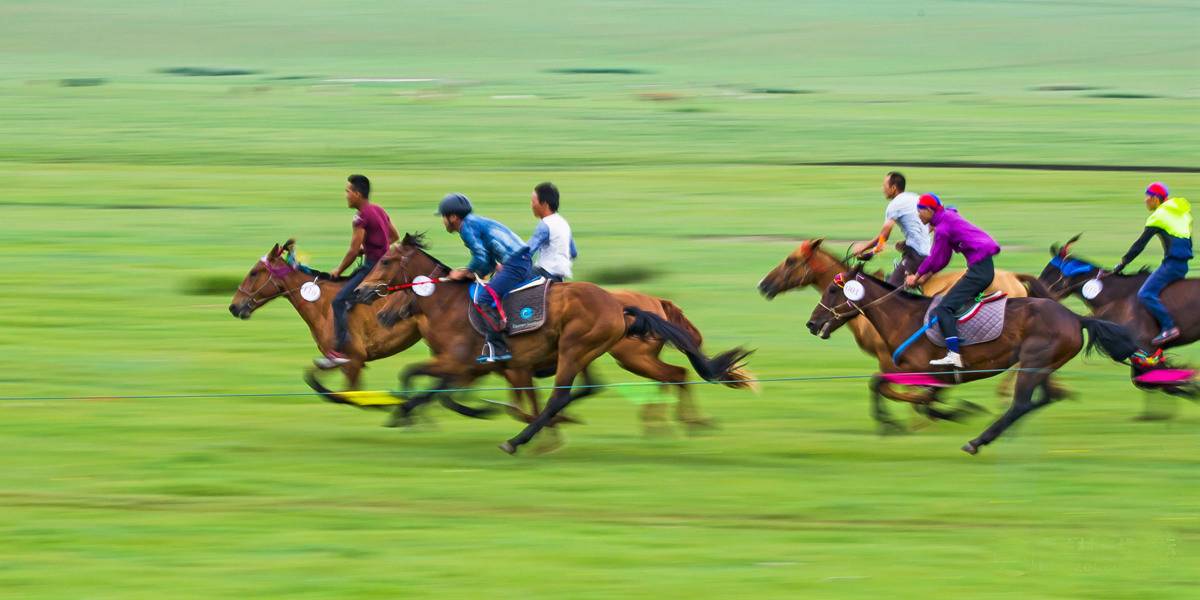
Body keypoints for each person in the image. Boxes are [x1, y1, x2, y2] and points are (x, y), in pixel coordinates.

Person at [905, 193, 1001, 368]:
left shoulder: (942, 229)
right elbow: (943, 258)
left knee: (943, 309)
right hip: (982, 269)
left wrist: (916, 276)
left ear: (928, 210)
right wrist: (926, 275)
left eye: (919, 211)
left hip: (979, 272)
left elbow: (934, 257)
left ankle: (954, 354)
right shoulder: (946, 219)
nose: (918, 216)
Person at [315, 175, 399, 369]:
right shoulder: (378, 210)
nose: (346, 195)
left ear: (357, 194)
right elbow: (394, 235)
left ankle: (339, 351)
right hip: (384, 264)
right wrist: (373, 247)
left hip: (372, 267)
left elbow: (352, 250)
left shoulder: (360, 217)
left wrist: (339, 269)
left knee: (339, 300)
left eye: (348, 191)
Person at [437, 193, 530, 363]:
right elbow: (487, 260)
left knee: (483, 298)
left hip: (516, 263)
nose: (442, 221)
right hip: (518, 260)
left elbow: (480, 258)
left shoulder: (466, 228)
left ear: (453, 217)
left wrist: (465, 271)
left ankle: (499, 349)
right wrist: (473, 272)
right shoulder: (473, 223)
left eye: (443, 216)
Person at [1113, 182, 1192, 347]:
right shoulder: (1182, 213)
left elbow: (1139, 245)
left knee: (1145, 294)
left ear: (1156, 199)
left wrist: (1122, 264)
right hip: (1183, 265)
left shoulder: (1158, 216)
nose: (1145, 200)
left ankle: (1169, 327)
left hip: (1171, 266)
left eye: (1147, 197)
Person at [858, 171, 932, 285]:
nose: (883, 189)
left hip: (917, 255)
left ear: (893, 188)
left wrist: (865, 249)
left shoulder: (894, 206)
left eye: (884, 186)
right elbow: (931, 225)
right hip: (929, 251)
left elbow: (883, 238)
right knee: (900, 246)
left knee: (890, 289)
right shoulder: (915, 197)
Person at [524, 182, 577, 282]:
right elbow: (573, 253)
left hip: (544, 272)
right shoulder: (564, 223)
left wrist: (508, 263)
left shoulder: (545, 224)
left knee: (509, 278)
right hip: (560, 277)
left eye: (533, 202)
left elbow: (527, 252)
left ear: (544, 204)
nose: (531, 205)